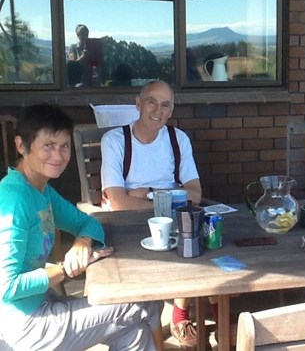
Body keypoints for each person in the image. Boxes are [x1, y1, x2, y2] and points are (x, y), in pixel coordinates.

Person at [0, 104, 164, 351]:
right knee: (145, 303)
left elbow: (88, 222)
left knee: (134, 330)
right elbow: (7, 287)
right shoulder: (15, 199)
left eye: (64, 146)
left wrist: (82, 242)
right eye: (49, 146)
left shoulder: (41, 190)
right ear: (22, 145)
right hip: (25, 326)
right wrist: (64, 270)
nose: (58, 155)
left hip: (42, 305)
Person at [101, 80, 202, 348]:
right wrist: (170, 195)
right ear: (138, 104)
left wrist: (145, 193)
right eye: (151, 102)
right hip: (127, 222)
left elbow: (195, 193)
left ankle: (181, 314)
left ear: (171, 110)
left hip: (169, 218)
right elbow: (118, 202)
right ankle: (140, 318)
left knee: (193, 240)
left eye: (165, 104)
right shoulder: (114, 140)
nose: (158, 109)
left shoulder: (178, 139)